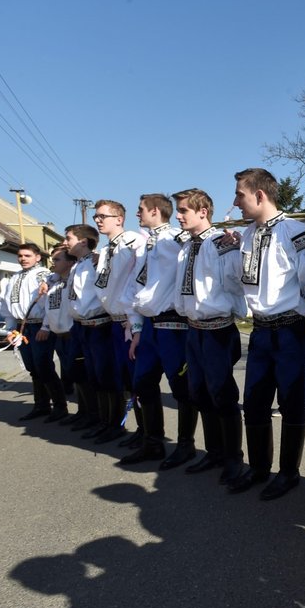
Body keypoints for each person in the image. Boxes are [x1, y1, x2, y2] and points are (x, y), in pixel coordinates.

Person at [229, 168, 305, 499]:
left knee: (292, 402)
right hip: (262, 330)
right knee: (253, 401)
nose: (236, 201)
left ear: (259, 195)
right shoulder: (249, 233)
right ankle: (259, 467)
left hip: (291, 329)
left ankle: (289, 472)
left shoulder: (296, 231)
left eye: (240, 194)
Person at [172, 188, 247, 486]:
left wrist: (238, 248)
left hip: (217, 329)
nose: (178, 216)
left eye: (183, 211)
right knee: (199, 392)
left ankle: (233, 457)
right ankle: (214, 451)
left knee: (222, 393)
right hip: (194, 329)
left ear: (203, 212)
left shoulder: (221, 242)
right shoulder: (185, 246)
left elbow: (235, 280)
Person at [121, 193, 197, 467]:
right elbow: (136, 287)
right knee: (142, 383)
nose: (137, 214)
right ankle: (153, 442)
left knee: (181, 388)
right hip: (150, 326)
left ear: (155, 210)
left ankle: (186, 445)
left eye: (140, 209)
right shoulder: (143, 246)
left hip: (175, 324)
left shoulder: (179, 238)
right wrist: (137, 328)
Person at [91, 200, 145, 446]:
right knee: (118, 378)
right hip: (113, 321)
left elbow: (136, 282)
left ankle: (146, 432)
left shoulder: (132, 242)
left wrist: (135, 324)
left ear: (119, 219)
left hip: (128, 320)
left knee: (137, 380)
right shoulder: (105, 249)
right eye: (96, 217)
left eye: (103, 216)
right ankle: (119, 425)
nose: (98, 220)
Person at [0, 243, 66, 422]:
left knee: (43, 366)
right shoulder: (14, 277)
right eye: (20, 255)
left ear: (37, 257)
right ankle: (41, 405)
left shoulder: (43, 275)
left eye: (27, 255)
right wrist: (11, 329)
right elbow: (6, 304)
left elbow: (51, 302)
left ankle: (60, 406)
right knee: (33, 368)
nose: (23, 259)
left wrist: (46, 327)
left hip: (39, 327)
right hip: (23, 328)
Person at [64, 224, 106, 435]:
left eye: (68, 238)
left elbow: (104, 291)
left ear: (82, 241)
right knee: (79, 371)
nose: (65, 243)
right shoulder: (77, 265)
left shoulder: (96, 262)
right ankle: (89, 414)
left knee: (99, 375)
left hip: (97, 325)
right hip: (79, 326)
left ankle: (103, 419)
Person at [38, 245, 79, 424]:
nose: (52, 263)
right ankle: (79, 413)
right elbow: (49, 309)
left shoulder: (73, 281)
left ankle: (91, 414)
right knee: (70, 373)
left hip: (73, 334)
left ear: (70, 262)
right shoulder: (53, 283)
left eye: (57, 260)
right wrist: (46, 327)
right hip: (59, 335)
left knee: (80, 375)